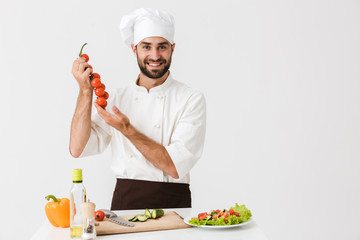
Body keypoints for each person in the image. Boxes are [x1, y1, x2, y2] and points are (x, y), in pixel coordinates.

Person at [70, 8, 206, 210]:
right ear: (134, 49)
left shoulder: (190, 99)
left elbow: (174, 167)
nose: (155, 55)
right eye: (146, 47)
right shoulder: (117, 98)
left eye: (162, 47)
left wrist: (126, 129)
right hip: (126, 201)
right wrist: (85, 91)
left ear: (173, 48)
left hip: (173, 204)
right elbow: (77, 148)